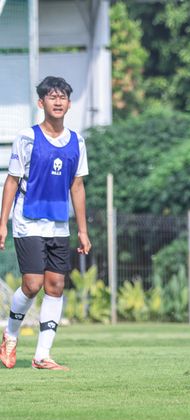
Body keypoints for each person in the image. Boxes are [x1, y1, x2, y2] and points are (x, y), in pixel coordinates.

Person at [0, 76, 91, 371]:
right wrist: (3, 224)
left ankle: (42, 355)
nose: (58, 101)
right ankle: (10, 336)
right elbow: (11, 182)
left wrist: (83, 231)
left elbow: (77, 187)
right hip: (28, 220)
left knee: (55, 285)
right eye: (52, 97)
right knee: (32, 283)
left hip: (58, 225)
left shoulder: (76, 141)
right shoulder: (27, 138)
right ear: (41, 103)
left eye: (63, 96)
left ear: (68, 103)